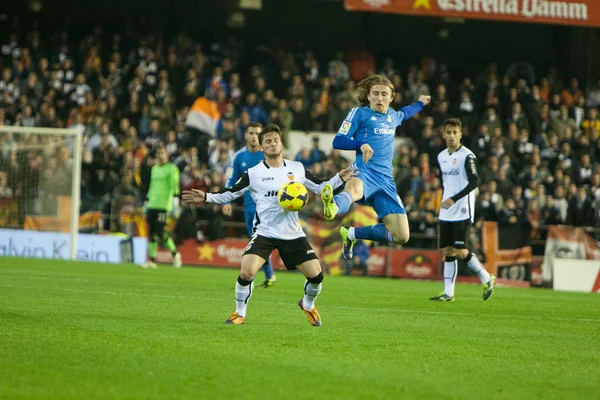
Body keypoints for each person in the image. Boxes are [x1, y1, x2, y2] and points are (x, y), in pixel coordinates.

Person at [182, 124, 356, 326]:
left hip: (292, 233)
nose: (273, 143)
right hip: (265, 231)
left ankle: (308, 304)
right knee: (246, 272)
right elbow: (231, 192)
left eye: (275, 140)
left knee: (317, 276)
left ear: (281, 143)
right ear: (262, 147)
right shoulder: (254, 173)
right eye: (268, 141)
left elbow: (320, 186)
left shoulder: (296, 168)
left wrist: (339, 178)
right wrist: (206, 196)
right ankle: (239, 313)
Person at [320, 74, 430, 260]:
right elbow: (338, 140)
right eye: (376, 93)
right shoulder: (359, 113)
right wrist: (359, 145)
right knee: (353, 188)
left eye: (384, 94)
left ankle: (352, 234)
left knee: (402, 235)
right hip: (363, 170)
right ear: (369, 96)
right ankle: (333, 207)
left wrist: (420, 103)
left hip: (385, 180)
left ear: (391, 97)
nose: (380, 98)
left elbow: (406, 112)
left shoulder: (393, 116)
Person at [430, 118, 495, 301]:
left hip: (462, 209)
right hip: (446, 209)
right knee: (448, 251)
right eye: (448, 132)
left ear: (460, 134)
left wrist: (454, 199)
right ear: (443, 135)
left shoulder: (468, 155)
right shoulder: (441, 156)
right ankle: (448, 293)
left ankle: (486, 277)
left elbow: (475, 181)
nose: (451, 136)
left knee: (460, 250)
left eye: (455, 132)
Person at [223, 122, 277, 288]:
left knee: (258, 240)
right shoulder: (239, 157)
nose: (254, 136)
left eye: (257, 133)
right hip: (249, 206)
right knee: (256, 240)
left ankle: (249, 276)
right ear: (246, 135)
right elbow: (232, 180)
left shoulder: (269, 154)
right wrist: (227, 200)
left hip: (269, 205)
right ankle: (269, 275)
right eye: (251, 133)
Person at [143, 146, 182, 269]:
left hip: (164, 204)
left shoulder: (172, 168)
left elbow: (174, 185)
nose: (160, 155)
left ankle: (175, 254)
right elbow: (152, 185)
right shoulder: (154, 168)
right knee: (151, 232)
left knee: (160, 231)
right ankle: (152, 260)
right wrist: (147, 200)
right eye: (159, 153)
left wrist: (175, 200)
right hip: (152, 203)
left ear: (166, 155)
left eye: (162, 153)